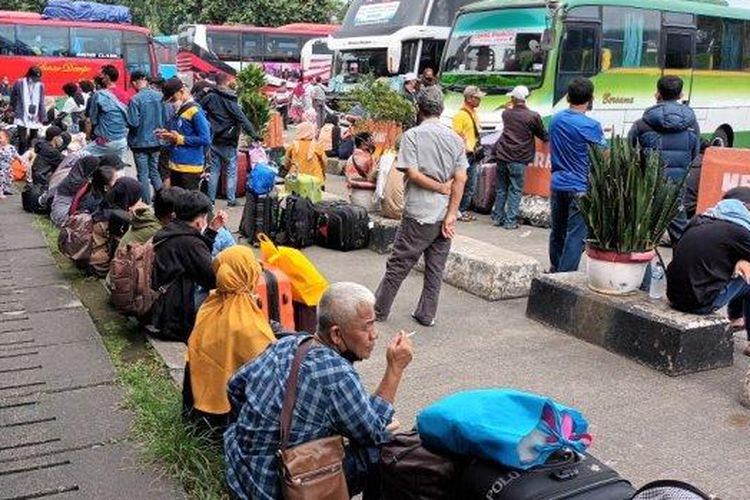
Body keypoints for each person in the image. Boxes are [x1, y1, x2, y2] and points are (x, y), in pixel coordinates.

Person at [225, 282, 414, 500]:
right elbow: (374, 435)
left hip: (240, 471)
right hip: (275, 489)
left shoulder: (288, 343)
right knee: (382, 449)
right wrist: (394, 368)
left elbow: (234, 387)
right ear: (336, 334)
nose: (375, 335)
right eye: (367, 327)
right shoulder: (338, 376)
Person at [374, 88, 468, 327]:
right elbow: (461, 178)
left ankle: (378, 310)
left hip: (419, 213)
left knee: (399, 264)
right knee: (435, 268)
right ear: (442, 110)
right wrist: (451, 215)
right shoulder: (455, 139)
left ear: (419, 109)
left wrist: (439, 188)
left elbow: (413, 173)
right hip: (444, 214)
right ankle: (427, 314)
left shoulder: (413, 136)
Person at [184, 245, 275, 432]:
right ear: (246, 274)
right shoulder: (248, 324)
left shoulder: (210, 305)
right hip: (233, 421)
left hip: (200, 411)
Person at [667, 187, 750, 356]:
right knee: (747, 280)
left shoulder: (700, 220)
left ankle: (737, 317)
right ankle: (740, 323)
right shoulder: (740, 232)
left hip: (673, 296)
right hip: (699, 303)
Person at [628, 75, 700, 246]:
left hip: (649, 187)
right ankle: (679, 272)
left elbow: (630, 154)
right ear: (681, 94)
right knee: (680, 236)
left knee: (644, 237)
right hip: (677, 187)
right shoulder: (691, 124)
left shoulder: (642, 124)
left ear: (657, 94)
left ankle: (646, 273)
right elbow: (694, 153)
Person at [150, 190, 227, 342]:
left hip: (161, 303)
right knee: (228, 294)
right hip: (173, 315)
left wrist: (211, 231)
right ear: (199, 221)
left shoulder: (171, 230)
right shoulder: (189, 242)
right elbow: (212, 279)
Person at [548, 78, 607, 273]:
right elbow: (603, 155)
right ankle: (565, 277)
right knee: (575, 236)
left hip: (558, 184)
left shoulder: (555, 120)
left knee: (558, 232)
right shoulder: (591, 126)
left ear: (567, 97)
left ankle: (555, 269)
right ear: (591, 98)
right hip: (580, 187)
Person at [492, 85, 548, 230]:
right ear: (526, 99)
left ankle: (497, 218)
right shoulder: (533, 116)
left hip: (502, 155)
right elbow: (542, 134)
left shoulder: (506, 114)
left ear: (513, 99)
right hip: (519, 157)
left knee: (501, 188)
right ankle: (510, 221)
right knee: (515, 190)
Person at [199, 73, 259, 206]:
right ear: (226, 82)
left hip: (214, 139)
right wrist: (254, 135)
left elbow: (196, 106)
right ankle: (231, 200)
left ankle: (211, 200)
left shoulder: (209, 97)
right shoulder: (231, 100)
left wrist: (203, 92)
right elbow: (242, 119)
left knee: (214, 170)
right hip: (229, 140)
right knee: (231, 170)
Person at [157, 78, 212, 191]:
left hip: (190, 169)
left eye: (173, 99)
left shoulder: (195, 111)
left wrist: (179, 139)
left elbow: (205, 139)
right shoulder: (179, 110)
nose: (172, 102)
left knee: (187, 205)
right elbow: (179, 132)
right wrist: (167, 134)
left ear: (181, 92)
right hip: (175, 165)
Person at [127, 70, 167, 204]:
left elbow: (133, 123)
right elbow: (165, 118)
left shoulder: (135, 99)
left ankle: (146, 204)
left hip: (140, 143)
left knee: (143, 175)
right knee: (155, 172)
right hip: (157, 140)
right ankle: (164, 201)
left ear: (134, 82)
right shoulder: (160, 96)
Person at [452, 85, 485, 222]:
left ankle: (462, 210)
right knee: (463, 184)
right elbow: (457, 135)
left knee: (470, 185)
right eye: (477, 98)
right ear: (470, 98)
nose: (480, 101)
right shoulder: (460, 115)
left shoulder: (474, 114)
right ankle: (458, 210)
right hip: (465, 155)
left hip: (473, 155)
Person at [85, 65, 129, 159]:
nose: (100, 77)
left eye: (102, 75)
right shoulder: (125, 95)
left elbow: (92, 120)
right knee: (119, 170)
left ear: (107, 77)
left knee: (80, 156)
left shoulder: (99, 95)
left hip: (104, 141)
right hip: (122, 140)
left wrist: (88, 137)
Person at [11, 66, 45, 154]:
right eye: (35, 77)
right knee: (22, 140)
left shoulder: (40, 85)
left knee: (33, 139)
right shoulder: (19, 82)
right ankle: (20, 155)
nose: (37, 79)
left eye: (39, 77)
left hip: (35, 114)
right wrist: (15, 109)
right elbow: (13, 97)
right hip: (21, 114)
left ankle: (29, 156)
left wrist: (43, 116)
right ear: (30, 75)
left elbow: (41, 100)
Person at [30, 125, 65, 190]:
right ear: (55, 138)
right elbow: (65, 163)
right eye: (60, 137)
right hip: (44, 181)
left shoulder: (42, 145)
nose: (61, 139)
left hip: (36, 179)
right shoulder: (52, 152)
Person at [0, 129, 18, 198]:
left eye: (0, 138)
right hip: (1, 169)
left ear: (7, 138)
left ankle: (5, 189)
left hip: (8, 168)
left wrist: (21, 160)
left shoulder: (11, 147)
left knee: (8, 179)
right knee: (1, 180)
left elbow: (16, 155)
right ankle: (0, 192)